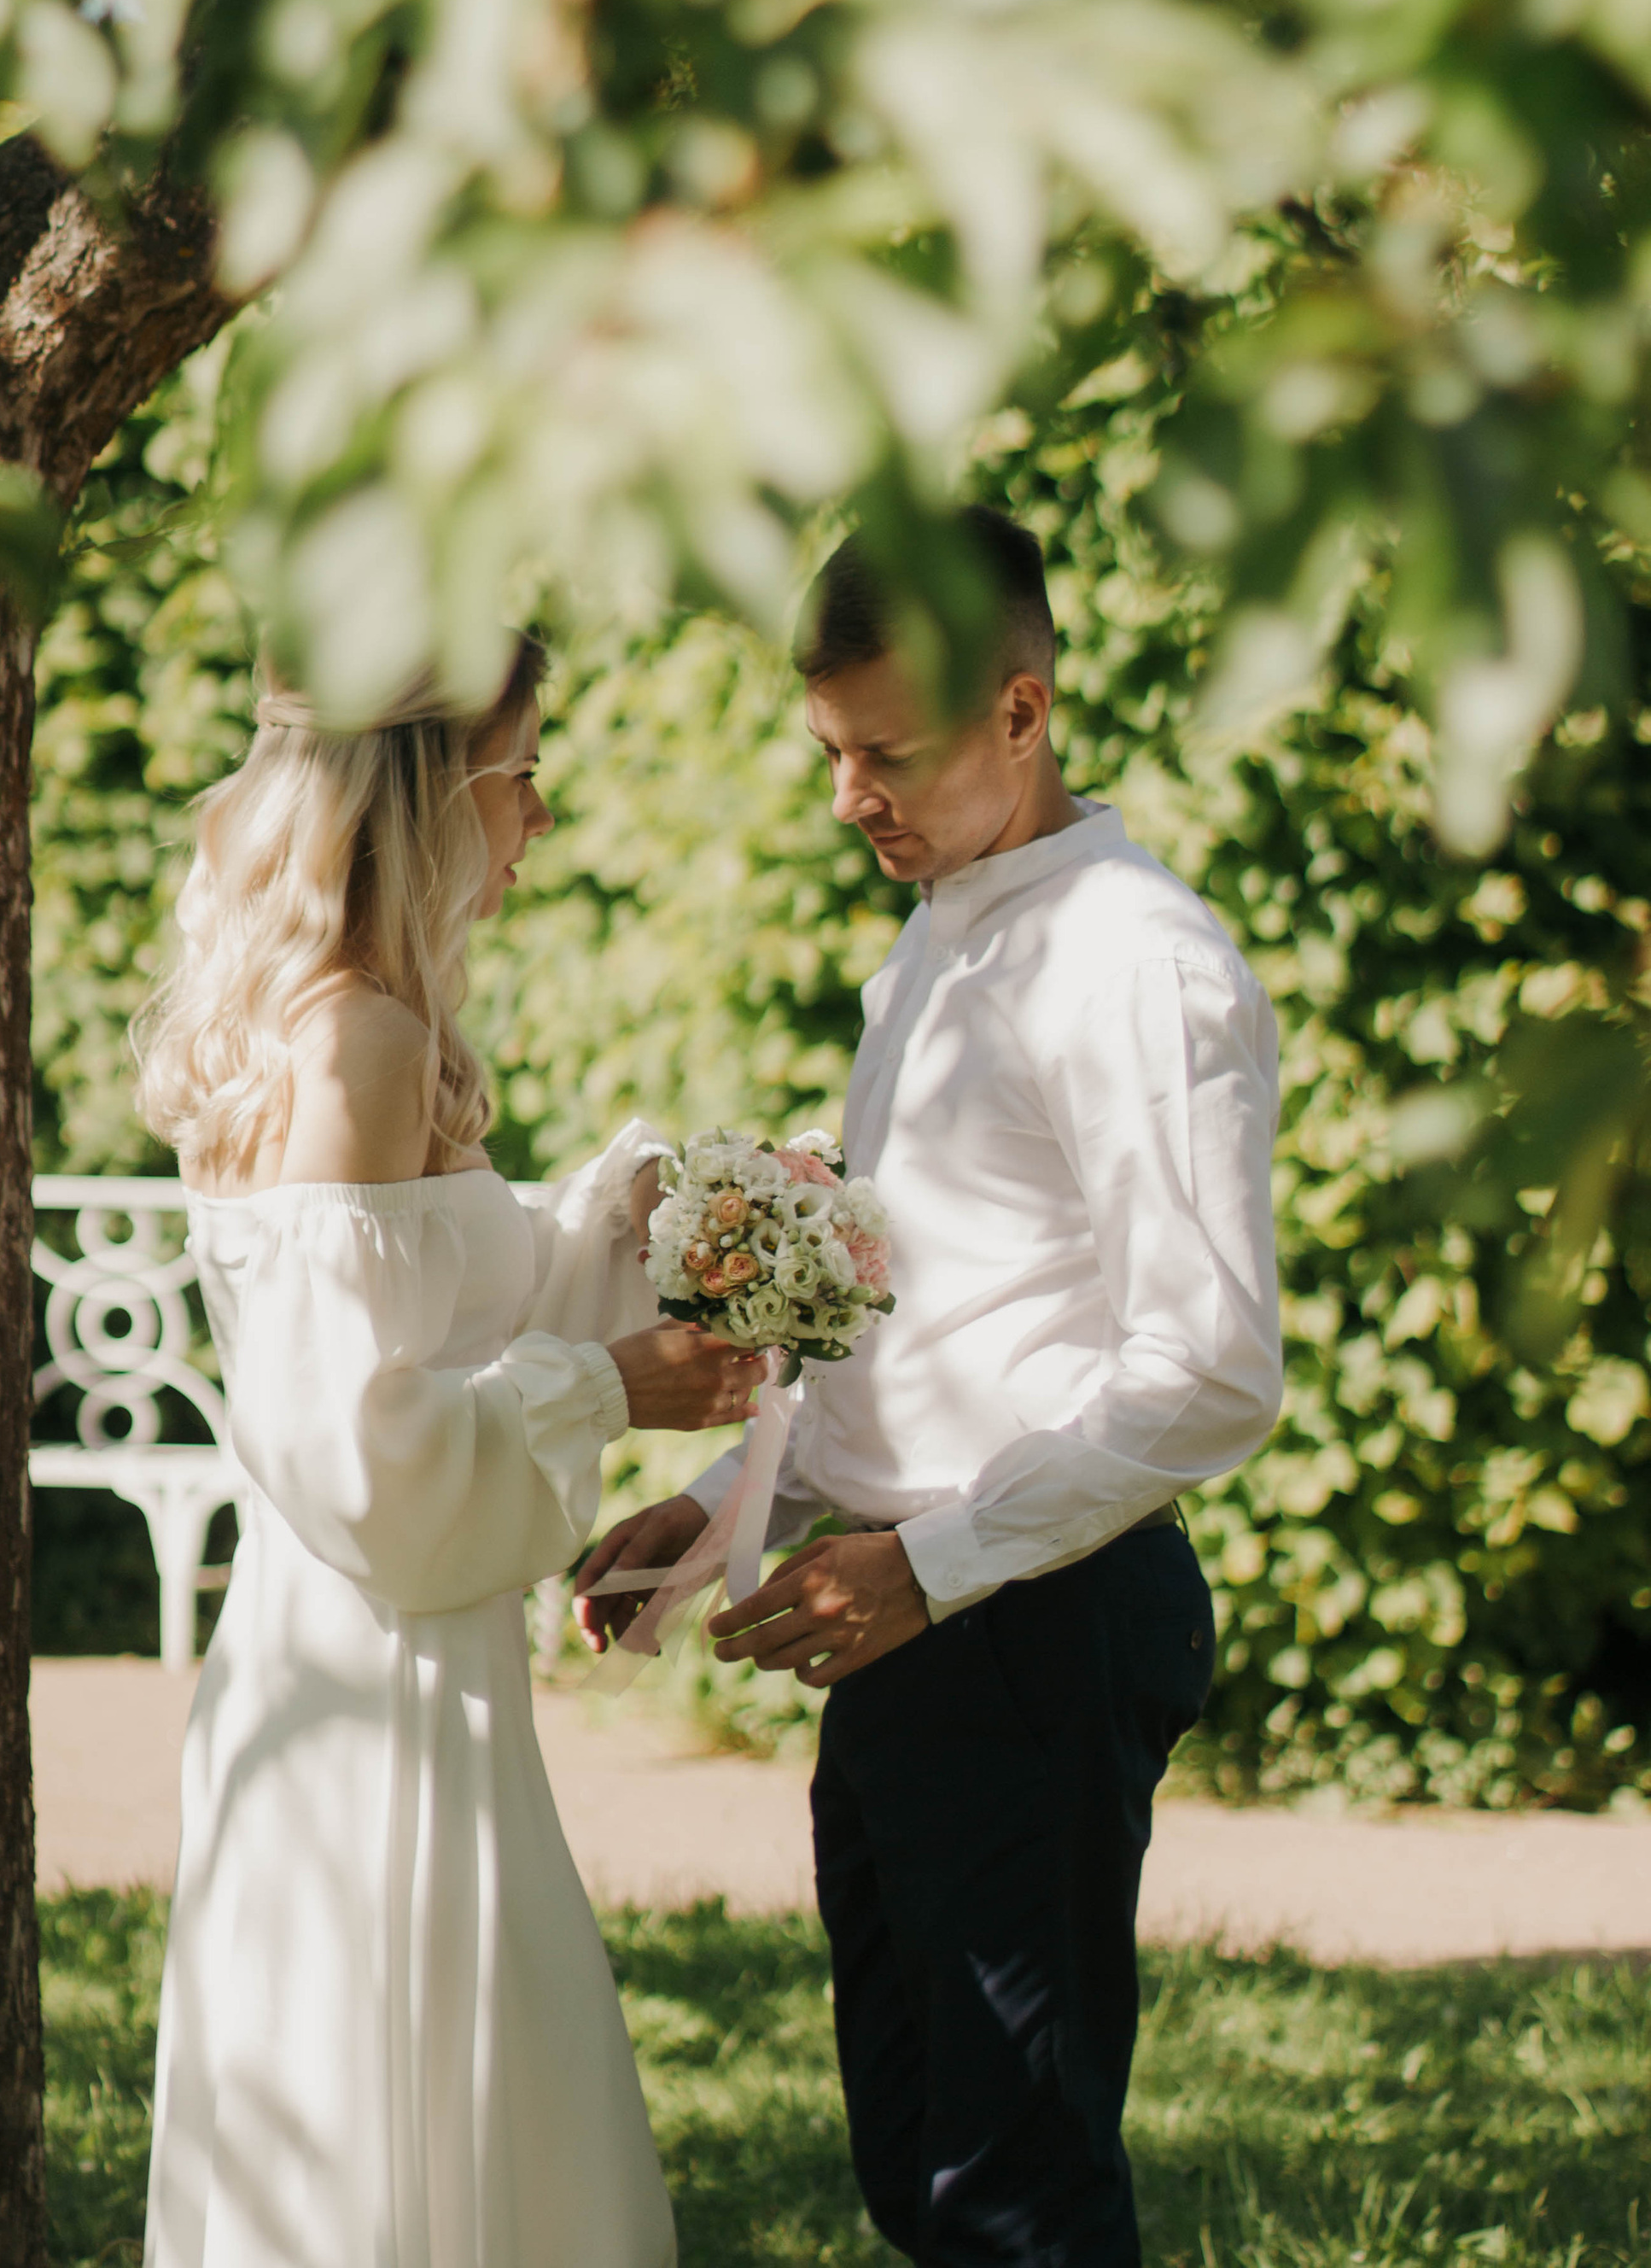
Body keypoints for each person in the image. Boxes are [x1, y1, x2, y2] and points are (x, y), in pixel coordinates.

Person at [579, 511, 1284, 2268]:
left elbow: (1205, 1371)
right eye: (827, 754)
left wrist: (926, 1567)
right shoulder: (934, 945)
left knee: (1014, 2200)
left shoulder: (1137, 962)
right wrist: (742, 1505)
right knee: (912, 2168)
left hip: (1030, 1623)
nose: (845, 802)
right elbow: (934, 1328)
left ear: (1023, 712)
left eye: (883, 755)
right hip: (902, 1614)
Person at [132, 641, 761, 2268]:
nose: (541, 817)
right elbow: (359, 1458)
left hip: (358, 1652)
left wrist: (620, 1228)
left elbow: (412, 1334)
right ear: (430, 792)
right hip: (379, 1673)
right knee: (415, 2109)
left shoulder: (335, 1021)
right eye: (523, 772)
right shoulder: (362, 1052)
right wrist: (614, 1390)